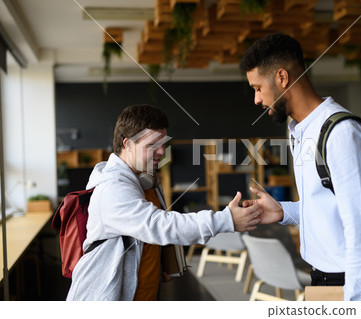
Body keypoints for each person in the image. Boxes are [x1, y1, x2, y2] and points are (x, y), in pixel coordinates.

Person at [240, 33, 361, 301]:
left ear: (282, 78)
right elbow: (328, 208)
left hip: (355, 284)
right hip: (321, 279)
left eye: (257, 88)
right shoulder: (298, 131)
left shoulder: (341, 133)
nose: (256, 99)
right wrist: (283, 211)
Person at [66, 104, 262, 301]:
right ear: (128, 144)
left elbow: (140, 237)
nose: (161, 151)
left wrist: (156, 265)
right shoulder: (113, 189)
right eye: (152, 145)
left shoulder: (144, 181)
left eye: (163, 143)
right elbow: (161, 225)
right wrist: (226, 220)